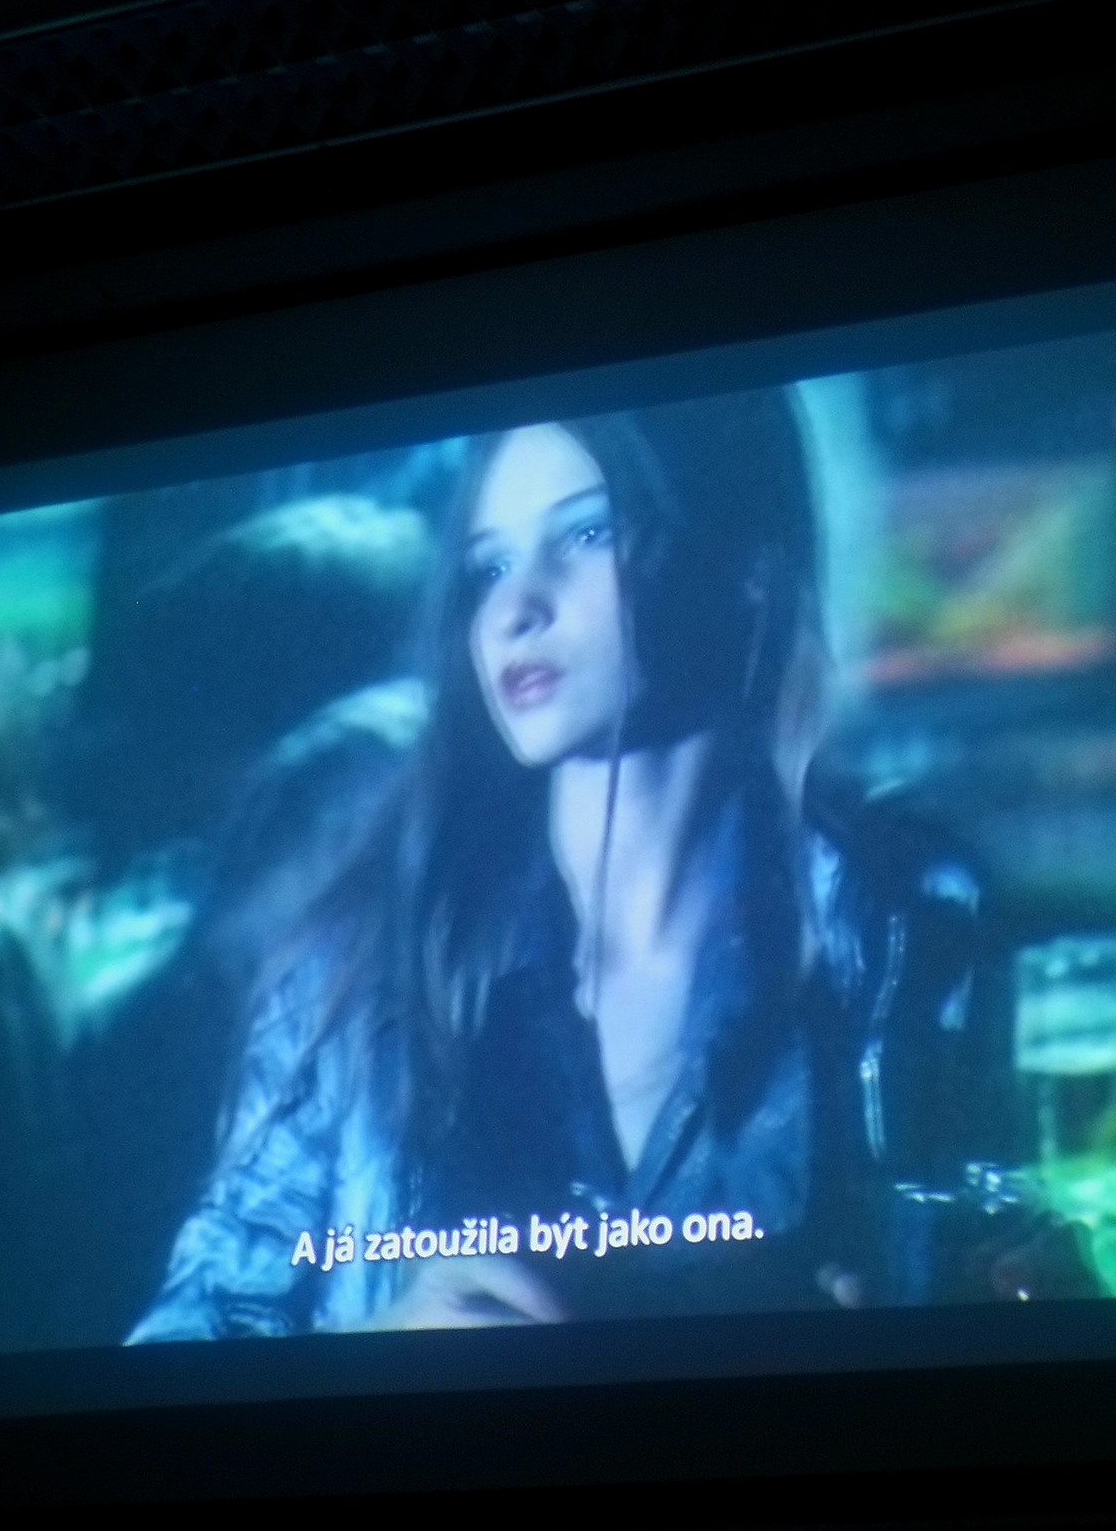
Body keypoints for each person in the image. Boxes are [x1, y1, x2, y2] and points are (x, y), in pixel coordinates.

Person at [126, 393, 1003, 1338]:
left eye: (585, 534)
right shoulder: (357, 969)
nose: (515, 609)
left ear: (746, 563)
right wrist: (379, 1350)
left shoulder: (896, 920)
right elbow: (185, 1335)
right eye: (489, 567)